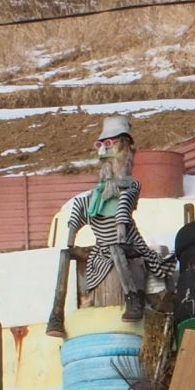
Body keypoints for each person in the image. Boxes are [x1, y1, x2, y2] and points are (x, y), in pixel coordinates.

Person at [61, 116, 161, 320]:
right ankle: (57, 313)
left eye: (109, 144)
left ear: (123, 147)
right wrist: (71, 241)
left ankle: (132, 299)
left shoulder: (130, 186)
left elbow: (124, 208)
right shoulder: (96, 194)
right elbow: (80, 211)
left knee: (117, 249)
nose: (103, 150)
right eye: (100, 145)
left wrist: (121, 234)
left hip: (128, 244)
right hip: (102, 247)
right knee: (65, 255)